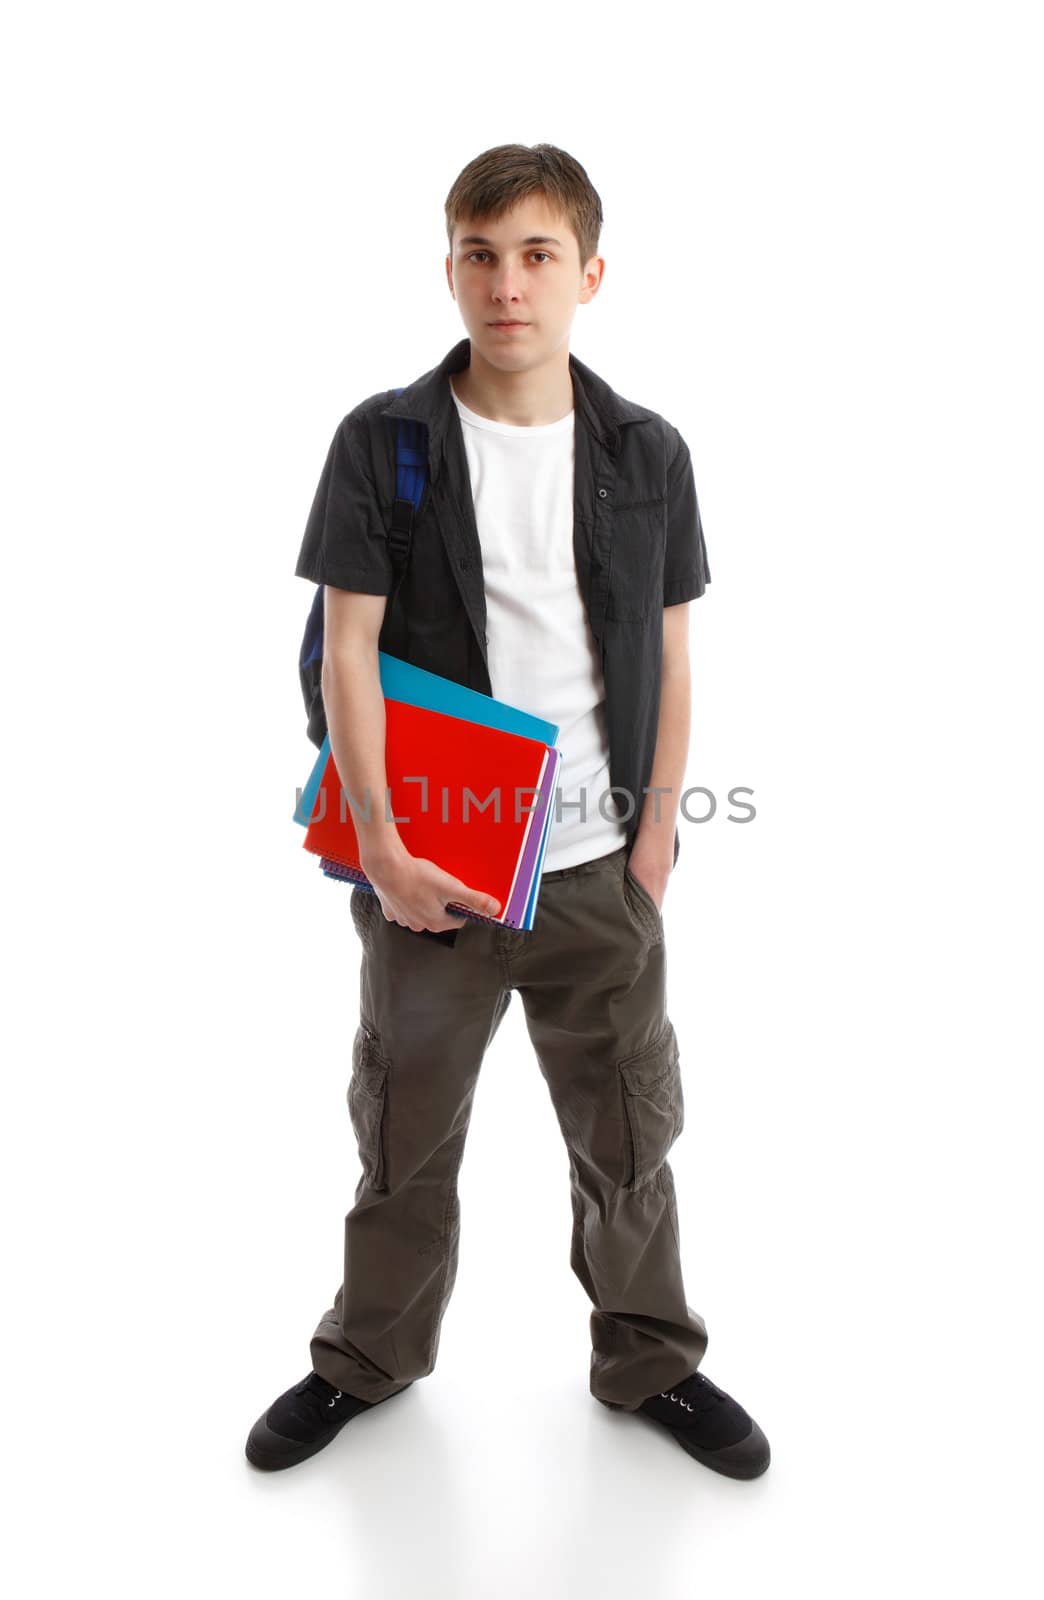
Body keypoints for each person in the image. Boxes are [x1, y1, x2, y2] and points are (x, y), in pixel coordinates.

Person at [246, 143, 770, 1479]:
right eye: (480, 255)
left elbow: (673, 646)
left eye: (537, 255)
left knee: (629, 1139)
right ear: (450, 270)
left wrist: (655, 836)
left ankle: (651, 1358)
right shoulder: (387, 440)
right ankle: (365, 1361)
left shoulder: (650, 451)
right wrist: (386, 848)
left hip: (600, 873)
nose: (507, 284)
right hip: (432, 870)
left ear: (589, 274)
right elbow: (346, 649)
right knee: (400, 1140)